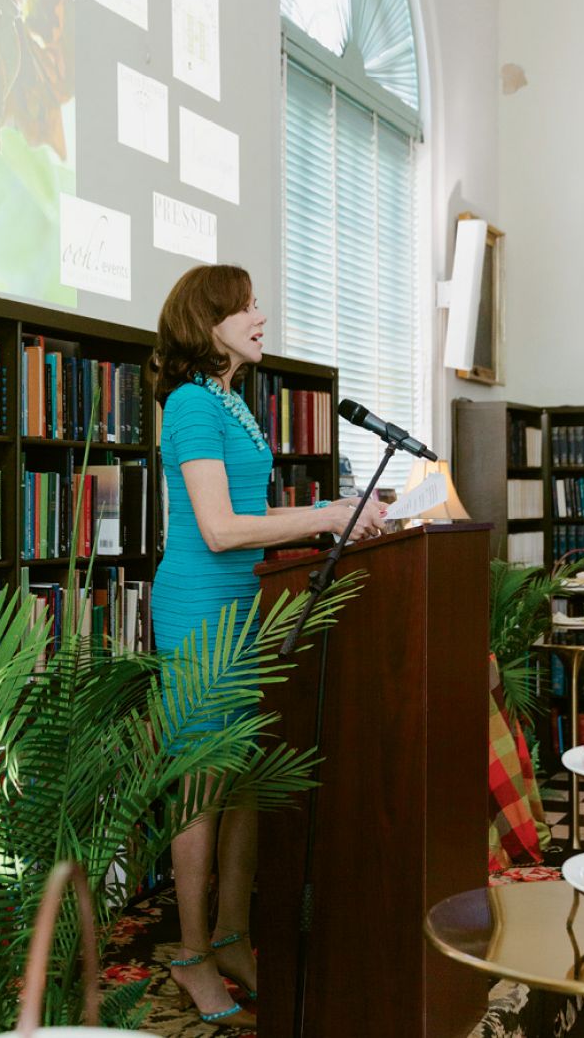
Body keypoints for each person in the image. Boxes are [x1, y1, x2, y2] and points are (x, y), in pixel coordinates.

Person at [150, 263, 385, 1029]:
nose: (260, 314)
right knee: (202, 787)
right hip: (199, 609)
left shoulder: (234, 401)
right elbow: (220, 528)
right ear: (207, 321)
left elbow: (251, 511)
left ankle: (231, 933)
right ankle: (188, 954)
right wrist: (326, 514)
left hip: (247, 606)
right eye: (245, 306)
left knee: (246, 776)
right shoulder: (189, 403)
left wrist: (339, 513)